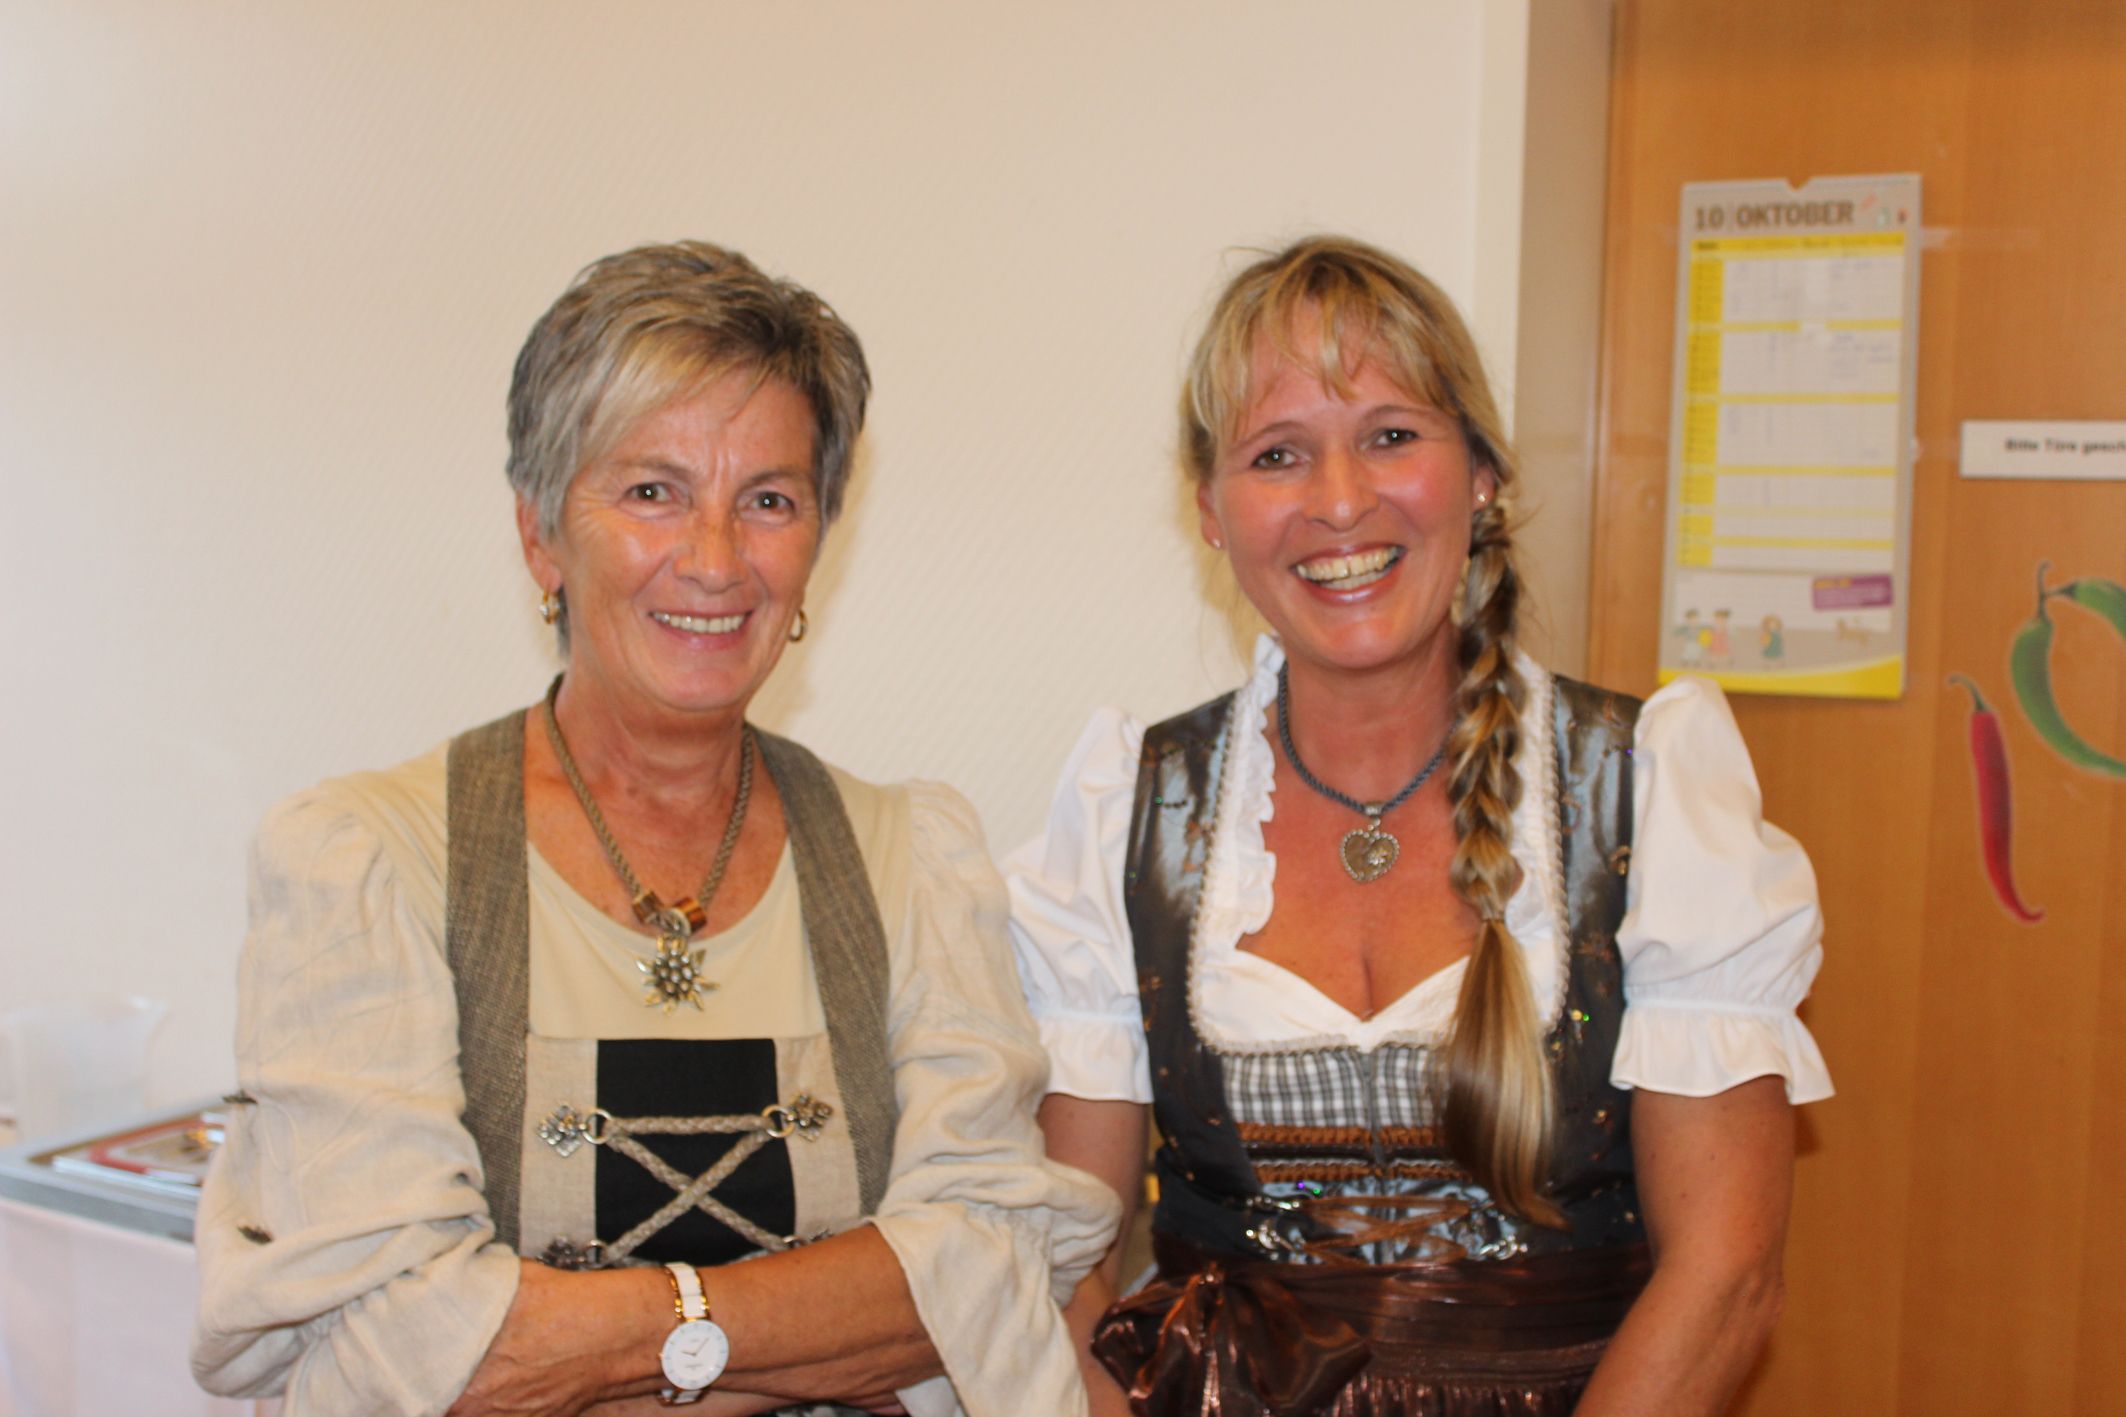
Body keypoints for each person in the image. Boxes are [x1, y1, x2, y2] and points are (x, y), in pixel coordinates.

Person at [192, 241, 1118, 1417]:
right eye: (651, 492)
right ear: (539, 533)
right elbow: (400, 1353)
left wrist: (606, 1339)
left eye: (768, 500)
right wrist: (835, 1325)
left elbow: (988, 1276)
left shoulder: (911, 862)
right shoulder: (368, 860)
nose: (716, 560)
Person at [1008, 237, 1831, 1416]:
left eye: (1390, 435)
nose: (1340, 500)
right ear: (1209, 510)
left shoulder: (1643, 790)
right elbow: (1064, 1267)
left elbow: (1726, 1276)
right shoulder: (1126, 812)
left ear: (1479, 473)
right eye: (1276, 454)